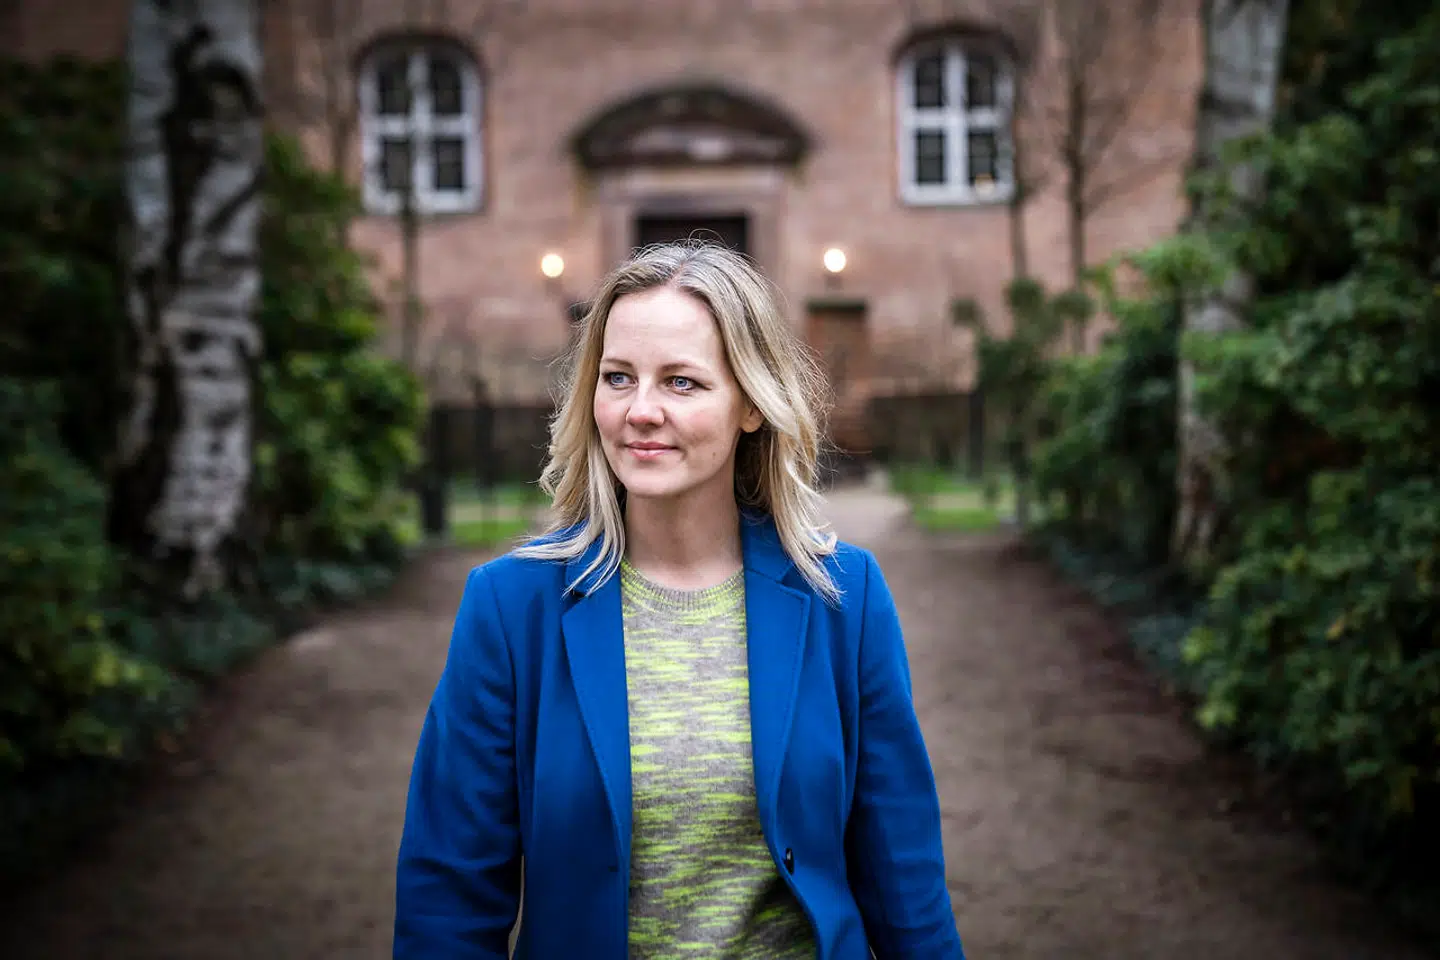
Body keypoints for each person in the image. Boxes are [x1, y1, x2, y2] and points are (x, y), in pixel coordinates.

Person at [393, 242, 965, 959]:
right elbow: (447, 900)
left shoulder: (843, 597)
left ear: (750, 404)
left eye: (681, 382)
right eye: (618, 377)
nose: (640, 411)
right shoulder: (510, 609)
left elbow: (905, 880)